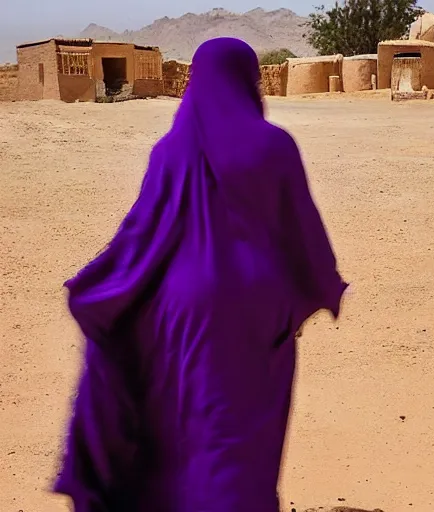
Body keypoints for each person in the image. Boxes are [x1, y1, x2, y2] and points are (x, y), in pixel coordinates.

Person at [54, 37, 347, 512]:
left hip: (181, 309)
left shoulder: (170, 151)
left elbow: (139, 236)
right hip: (258, 310)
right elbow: (304, 235)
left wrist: (104, 290)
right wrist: (311, 292)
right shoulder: (274, 145)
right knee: (242, 434)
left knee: (187, 422)